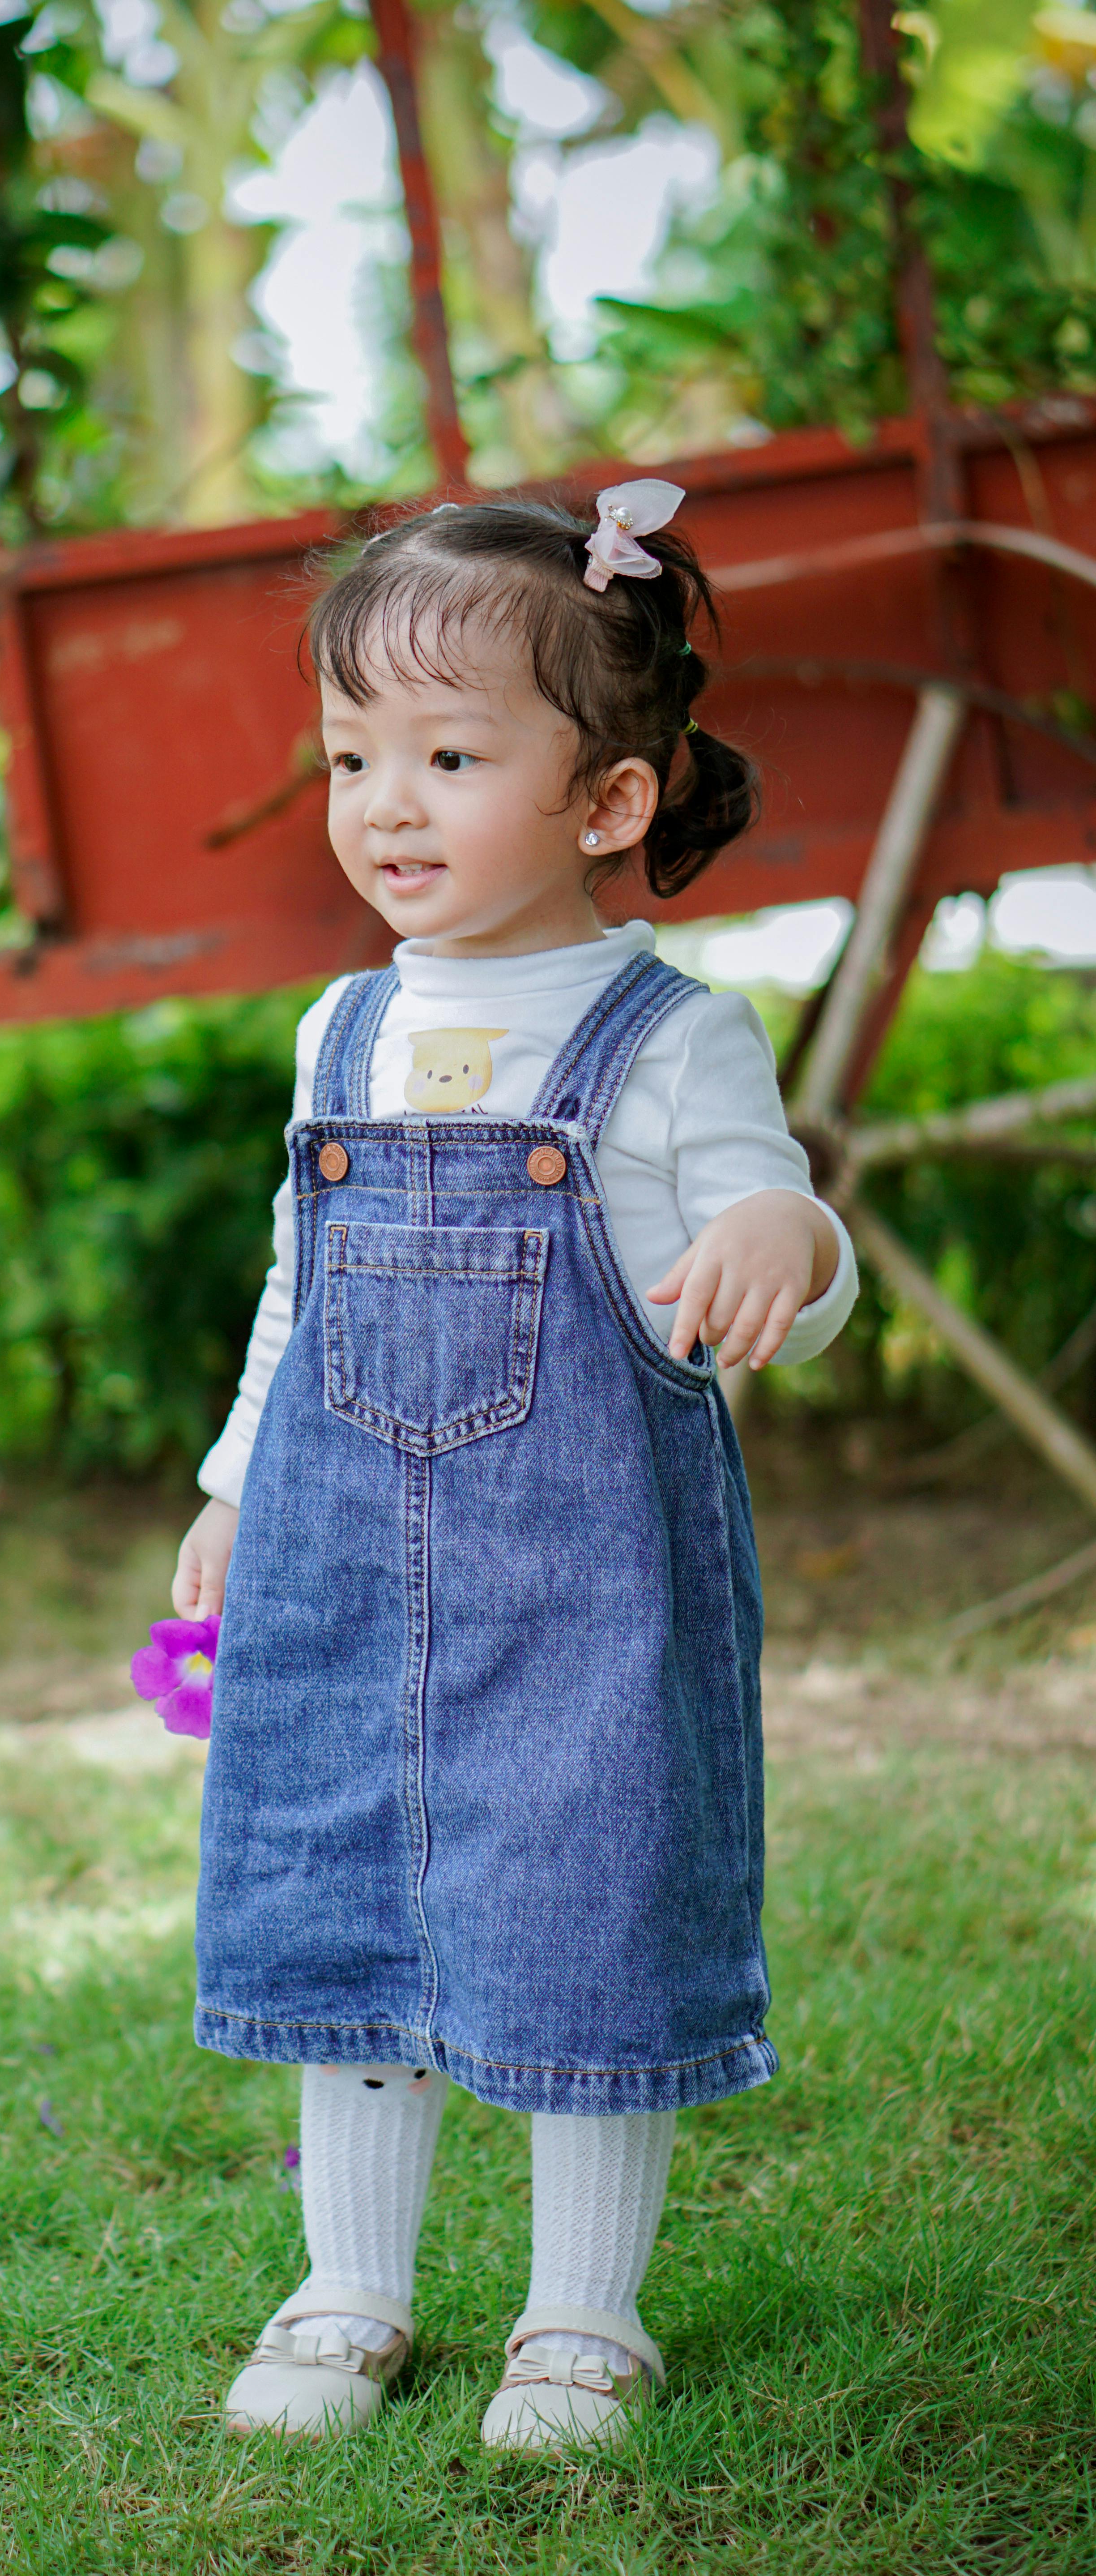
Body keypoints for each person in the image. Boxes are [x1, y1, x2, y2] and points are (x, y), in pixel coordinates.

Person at [173, 487, 858, 2451]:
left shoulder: (663, 1037)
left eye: (452, 757)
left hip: (586, 1585)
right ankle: (348, 2291)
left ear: (609, 802)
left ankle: (581, 2320)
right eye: (353, 756)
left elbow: (774, 1215)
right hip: (343, 1568)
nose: (388, 804)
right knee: (348, 1895)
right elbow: (298, 1285)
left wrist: (772, 1255)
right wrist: (236, 1482)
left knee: (581, 1907)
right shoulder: (345, 1028)